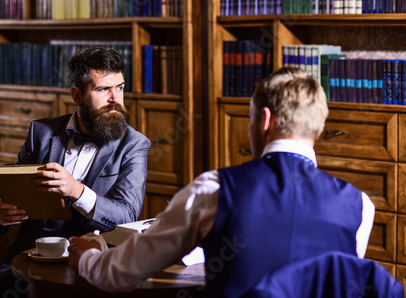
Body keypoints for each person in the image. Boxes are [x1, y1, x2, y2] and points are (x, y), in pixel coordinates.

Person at [67, 67, 376, 297]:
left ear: (264, 120)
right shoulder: (360, 206)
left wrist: (87, 256)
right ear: (318, 127)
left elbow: (119, 275)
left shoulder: (214, 189)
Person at [0, 47, 151, 298]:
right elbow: (16, 195)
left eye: (120, 87)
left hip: (94, 263)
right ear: (77, 95)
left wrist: (77, 191)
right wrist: (3, 213)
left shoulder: (134, 145)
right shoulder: (40, 132)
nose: (115, 98)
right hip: (33, 259)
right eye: (103, 89)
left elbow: (127, 214)